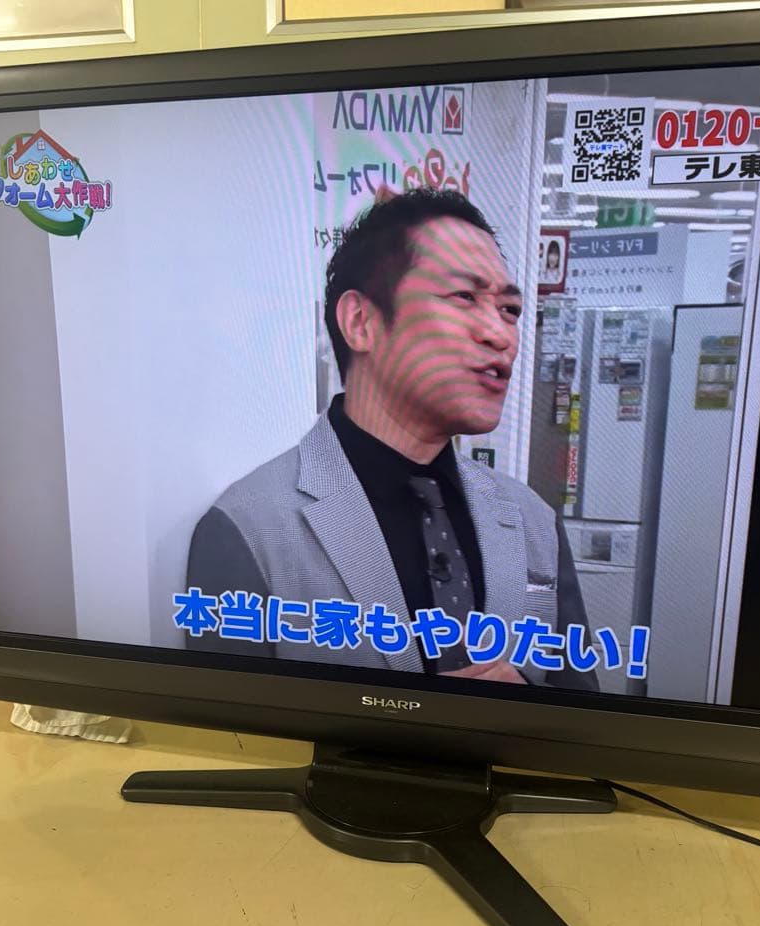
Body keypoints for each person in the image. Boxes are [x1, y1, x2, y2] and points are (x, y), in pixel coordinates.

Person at [187, 188, 596, 690]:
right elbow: (228, 725)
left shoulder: (533, 521)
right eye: (465, 297)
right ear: (361, 322)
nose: (501, 334)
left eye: (510, 309)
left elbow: (581, 705)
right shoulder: (249, 527)